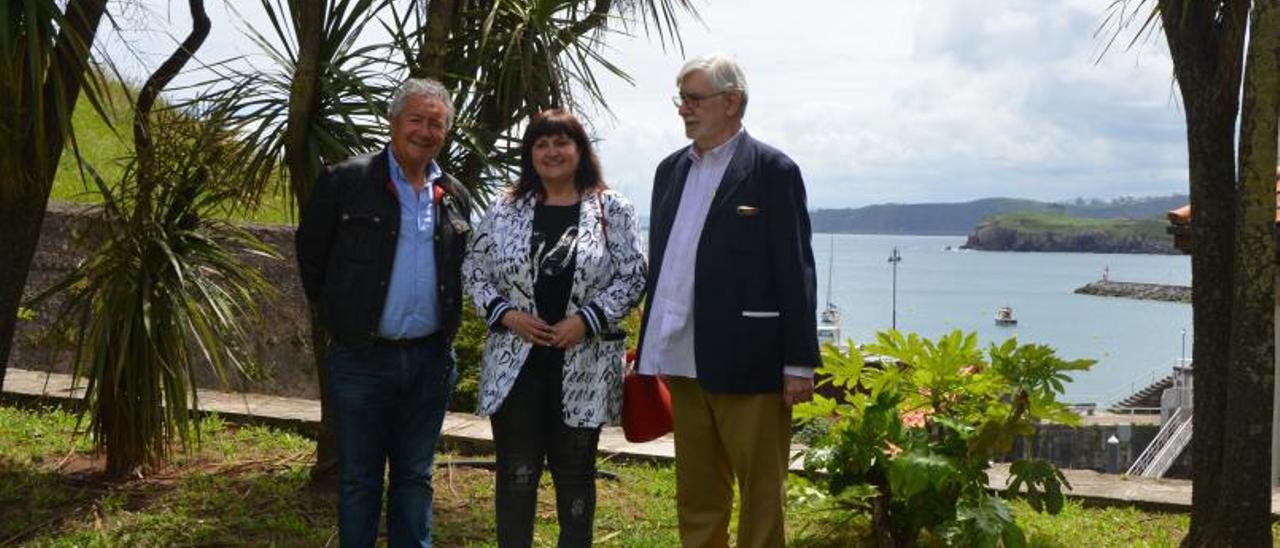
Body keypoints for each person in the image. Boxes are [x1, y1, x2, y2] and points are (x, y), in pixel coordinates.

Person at [635, 53, 820, 547]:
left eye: (695, 99)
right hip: (681, 353)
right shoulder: (669, 170)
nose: (684, 110)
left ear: (732, 101)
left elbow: (796, 267)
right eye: (681, 99)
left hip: (751, 357)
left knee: (761, 493)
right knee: (697, 493)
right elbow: (668, 260)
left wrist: (800, 361)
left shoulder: (773, 169)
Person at [295, 77, 473, 548]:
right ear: (393, 123)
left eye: (436, 123)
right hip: (362, 359)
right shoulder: (347, 181)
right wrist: (342, 317)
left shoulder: (454, 193)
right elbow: (312, 256)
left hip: (430, 361)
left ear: (446, 132)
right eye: (415, 119)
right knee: (359, 478)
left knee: (416, 476)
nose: (425, 131)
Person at [463, 108, 646, 547]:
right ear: (530, 155)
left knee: (576, 475)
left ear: (580, 150)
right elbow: (473, 269)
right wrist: (507, 313)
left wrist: (586, 321)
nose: (551, 152)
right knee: (516, 473)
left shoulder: (611, 207)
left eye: (562, 142)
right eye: (541, 144)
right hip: (516, 366)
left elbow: (634, 275)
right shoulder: (505, 208)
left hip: (584, 365)